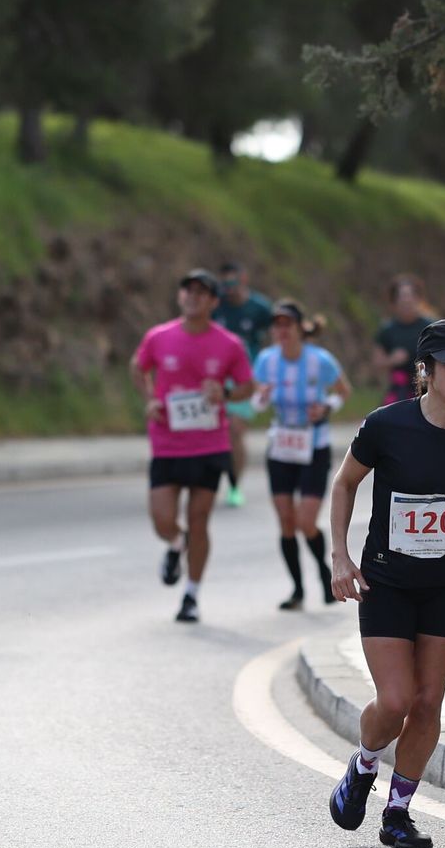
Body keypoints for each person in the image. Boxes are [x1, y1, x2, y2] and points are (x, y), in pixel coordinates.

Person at [326, 319, 445, 848]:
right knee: (396, 699)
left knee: (428, 701)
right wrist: (340, 557)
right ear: (426, 371)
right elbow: (344, 484)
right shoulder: (386, 426)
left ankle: (398, 812)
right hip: (386, 578)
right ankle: (363, 764)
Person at [133, 269, 255, 624]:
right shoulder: (158, 337)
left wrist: (226, 393)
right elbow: (137, 368)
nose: (193, 297)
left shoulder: (229, 344)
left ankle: (191, 595)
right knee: (162, 520)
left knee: (199, 519)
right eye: (188, 290)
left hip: (208, 443)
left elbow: (248, 386)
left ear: (213, 302)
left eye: (202, 293)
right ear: (179, 296)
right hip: (167, 441)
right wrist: (150, 399)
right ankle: (174, 543)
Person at [251, 300, 352, 610]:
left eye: (287, 325)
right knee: (285, 520)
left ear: (298, 328)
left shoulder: (319, 360)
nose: (282, 331)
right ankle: (296, 589)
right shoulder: (266, 360)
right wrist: (260, 398)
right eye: (276, 325)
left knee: (305, 521)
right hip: (281, 445)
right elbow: (256, 403)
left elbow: (343, 392)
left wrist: (325, 408)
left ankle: (323, 572)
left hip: (313, 446)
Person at [212, 261, 275, 508]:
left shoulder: (259, 308)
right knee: (214, 430)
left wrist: (267, 374)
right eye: (225, 284)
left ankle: (235, 485)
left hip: (246, 377)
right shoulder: (215, 304)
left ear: (244, 279)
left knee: (236, 431)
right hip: (216, 375)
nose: (229, 289)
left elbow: (274, 340)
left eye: (233, 283)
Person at [372, 274, 435, 407]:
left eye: (410, 296)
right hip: (399, 388)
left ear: (419, 299)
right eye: (402, 297)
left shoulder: (431, 327)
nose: (406, 301)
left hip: (428, 385)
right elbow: (377, 363)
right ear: (394, 302)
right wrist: (392, 360)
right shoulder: (387, 330)